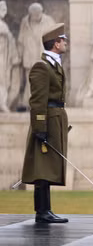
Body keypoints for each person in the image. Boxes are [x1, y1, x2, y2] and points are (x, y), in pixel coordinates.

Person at [21, 23, 69, 223]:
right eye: (63, 40)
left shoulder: (54, 64)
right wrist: (40, 127)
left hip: (55, 118)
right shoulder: (42, 67)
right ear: (56, 44)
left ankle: (45, 209)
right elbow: (37, 100)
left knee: (47, 166)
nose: (66, 43)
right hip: (46, 120)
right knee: (42, 167)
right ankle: (42, 211)